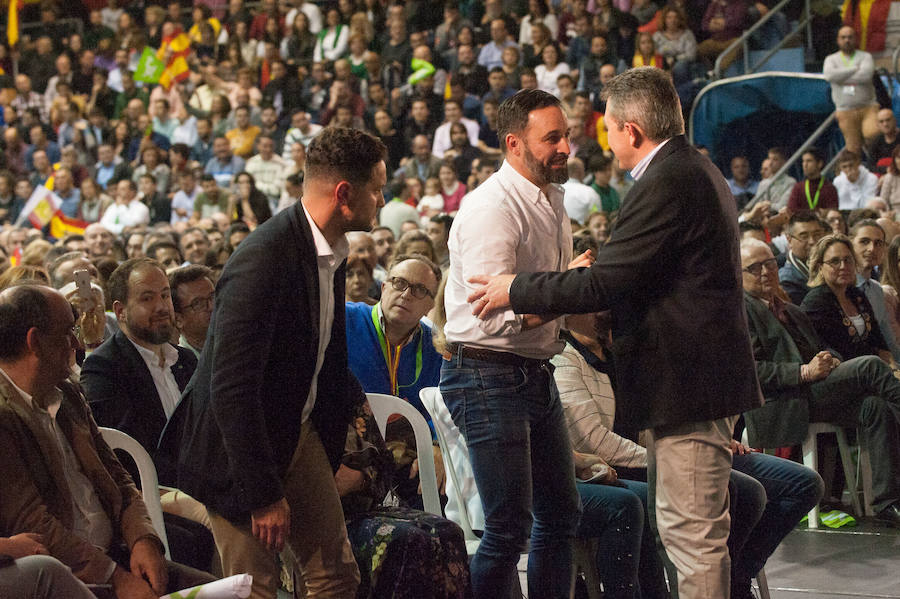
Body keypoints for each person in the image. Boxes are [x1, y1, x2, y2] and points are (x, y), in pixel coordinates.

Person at [466, 69, 763, 599]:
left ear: (629, 130)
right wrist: (550, 292)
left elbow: (611, 280)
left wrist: (518, 290)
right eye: (553, 137)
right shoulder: (688, 170)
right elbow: (616, 278)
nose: (579, 144)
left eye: (598, 130)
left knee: (692, 537)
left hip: (688, 384)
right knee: (691, 534)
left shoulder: (669, 179)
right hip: (513, 375)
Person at [166, 127, 387, 599]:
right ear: (344, 194)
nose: (383, 199)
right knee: (253, 590)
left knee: (336, 577)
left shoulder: (333, 250)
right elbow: (231, 387)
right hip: (236, 448)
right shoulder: (263, 258)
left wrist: (326, 451)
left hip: (296, 431)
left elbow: (326, 360)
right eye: (377, 188)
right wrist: (261, 493)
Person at [441, 89, 584, 599]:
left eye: (566, 134)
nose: (565, 145)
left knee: (562, 514)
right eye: (552, 138)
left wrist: (565, 289)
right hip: (485, 373)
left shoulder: (552, 197)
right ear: (514, 143)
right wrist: (571, 288)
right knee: (506, 529)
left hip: (530, 371)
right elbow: (494, 317)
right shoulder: (490, 209)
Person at [0, 284, 214, 598]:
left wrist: (143, 541)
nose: (77, 342)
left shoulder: (68, 393)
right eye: (67, 332)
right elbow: (34, 522)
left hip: (117, 553)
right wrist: (116, 578)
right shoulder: (5, 416)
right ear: (34, 342)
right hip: (69, 574)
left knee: (228, 591)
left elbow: (118, 478)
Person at [741, 238, 900, 527]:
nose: (765, 271)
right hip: (782, 402)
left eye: (769, 264)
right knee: (871, 365)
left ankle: (886, 503)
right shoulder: (739, 312)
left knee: (875, 406)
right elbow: (748, 371)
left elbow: (820, 348)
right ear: (737, 274)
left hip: (813, 394)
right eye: (754, 267)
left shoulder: (789, 308)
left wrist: (831, 360)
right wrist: (804, 372)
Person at [823, 26, 879, 156]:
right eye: (843, 37)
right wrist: (854, 69)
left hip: (868, 106)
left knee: (873, 135)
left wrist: (841, 78)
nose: (847, 40)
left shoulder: (866, 57)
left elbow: (865, 76)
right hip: (845, 110)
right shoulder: (830, 59)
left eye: (850, 37)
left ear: (855, 39)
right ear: (838, 40)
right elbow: (830, 76)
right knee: (853, 148)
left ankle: (876, 165)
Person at [779, 211, 827, 305]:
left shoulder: (828, 263)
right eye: (804, 236)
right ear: (789, 239)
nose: (812, 241)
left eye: (817, 234)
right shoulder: (787, 280)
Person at [169, 265, 216, 358]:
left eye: (213, 296)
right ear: (178, 320)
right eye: (198, 303)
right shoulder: (178, 364)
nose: (211, 306)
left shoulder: (238, 345)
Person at [786, 148, 839, 215]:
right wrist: (817, 212)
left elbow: (833, 211)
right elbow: (791, 210)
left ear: (820, 164)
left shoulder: (829, 188)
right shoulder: (798, 187)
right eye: (803, 161)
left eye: (809, 161)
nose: (805, 165)